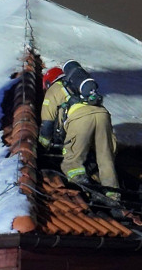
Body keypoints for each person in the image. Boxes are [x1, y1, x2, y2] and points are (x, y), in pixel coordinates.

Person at [39, 64, 119, 197]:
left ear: (48, 82)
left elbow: (47, 122)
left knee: (71, 163)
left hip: (80, 119)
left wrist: (43, 145)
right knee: (105, 157)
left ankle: (86, 189)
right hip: (102, 115)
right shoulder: (78, 87)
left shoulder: (53, 89)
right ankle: (113, 193)